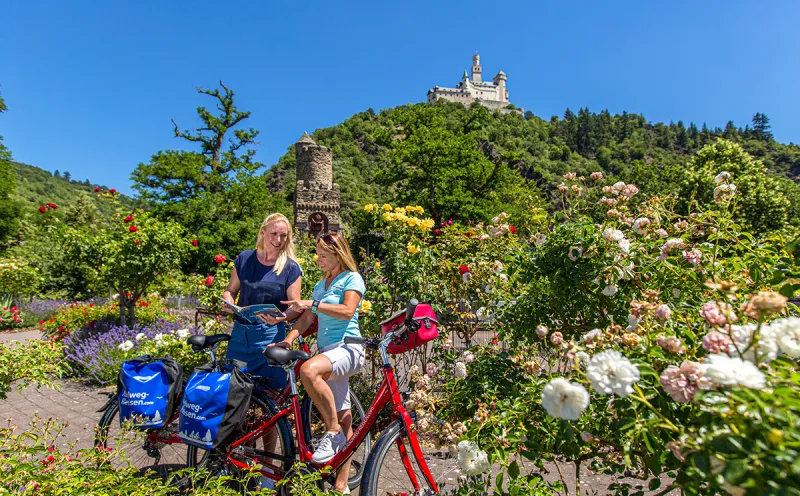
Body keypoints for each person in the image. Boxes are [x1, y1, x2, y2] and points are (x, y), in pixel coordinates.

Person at [277, 232, 365, 494]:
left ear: (339, 255)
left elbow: (348, 310)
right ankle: (341, 486)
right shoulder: (319, 285)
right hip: (329, 351)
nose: (318, 260)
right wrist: (289, 339)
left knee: (309, 370)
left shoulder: (352, 278)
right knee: (345, 416)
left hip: (349, 348)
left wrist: (313, 303)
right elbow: (305, 320)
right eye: (318, 255)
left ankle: (332, 432)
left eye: (324, 256)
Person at [221, 213, 302, 490]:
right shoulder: (244, 259)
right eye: (274, 234)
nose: (279, 240)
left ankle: (269, 469)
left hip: (270, 340)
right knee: (238, 402)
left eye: (284, 236)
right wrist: (228, 301)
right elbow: (231, 290)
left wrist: (282, 317)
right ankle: (242, 461)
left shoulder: (290, 267)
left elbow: (295, 307)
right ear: (263, 231)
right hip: (241, 338)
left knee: (269, 408)